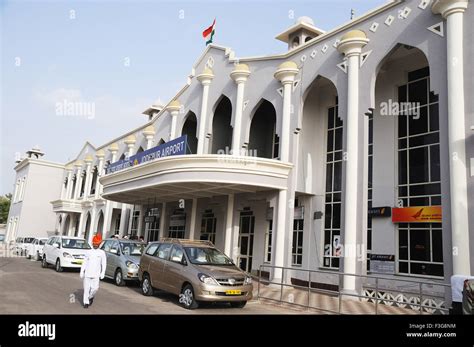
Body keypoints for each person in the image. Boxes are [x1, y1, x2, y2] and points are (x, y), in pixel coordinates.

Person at [80, 234, 106, 309]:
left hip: (96, 274)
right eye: (94, 244)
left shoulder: (102, 253)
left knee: (95, 289)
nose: (95, 245)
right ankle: (86, 303)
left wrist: (103, 272)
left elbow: (103, 263)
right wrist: (82, 271)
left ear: (99, 244)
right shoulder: (88, 252)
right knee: (86, 289)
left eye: (96, 244)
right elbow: (84, 262)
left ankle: (90, 297)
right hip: (87, 273)